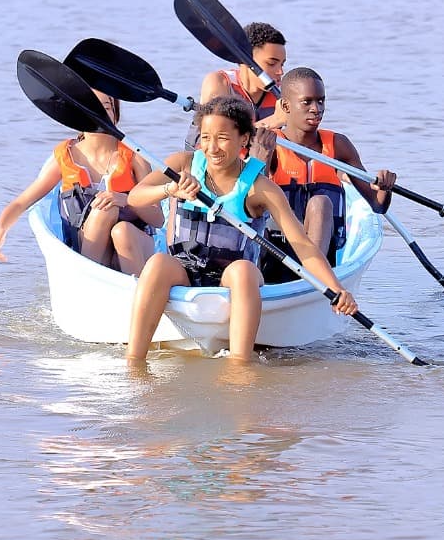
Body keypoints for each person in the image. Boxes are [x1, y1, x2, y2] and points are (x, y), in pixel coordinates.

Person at [126, 95, 359, 362]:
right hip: (186, 268)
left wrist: (337, 290)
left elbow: (302, 245)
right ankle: (134, 360)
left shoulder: (259, 188)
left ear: (244, 140)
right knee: (157, 263)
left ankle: (239, 364)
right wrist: (171, 188)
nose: (212, 148)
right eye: (205, 137)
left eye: (223, 138)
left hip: (233, 275)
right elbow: (136, 196)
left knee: (243, 271)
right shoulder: (183, 164)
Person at [0, 90, 164, 275]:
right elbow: (22, 202)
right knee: (104, 211)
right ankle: (88, 279)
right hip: (89, 248)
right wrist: (1, 229)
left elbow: (158, 219)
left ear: (115, 114)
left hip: (134, 246)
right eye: (90, 107)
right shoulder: (66, 155)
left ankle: (137, 294)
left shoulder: (135, 157)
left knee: (122, 231)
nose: (98, 114)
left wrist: (125, 200)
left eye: (106, 107)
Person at [261, 66, 397, 283]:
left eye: (321, 101)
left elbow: (378, 206)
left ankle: (313, 279)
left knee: (321, 203)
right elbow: (249, 202)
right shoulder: (270, 143)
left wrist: (385, 189)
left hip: (323, 260)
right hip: (278, 255)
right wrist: (262, 155)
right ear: (286, 106)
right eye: (307, 102)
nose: (316, 109)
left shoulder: (338, 145)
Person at [184, 22, 288, 149]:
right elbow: (220, 139)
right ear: (246, 60)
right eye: (271, 63)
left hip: (253, 161)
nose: (280, 72)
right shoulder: (219, 83)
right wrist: (274, 120)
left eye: (282, 64)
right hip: (208, 161)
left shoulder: (281, 95)